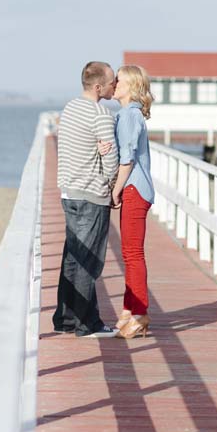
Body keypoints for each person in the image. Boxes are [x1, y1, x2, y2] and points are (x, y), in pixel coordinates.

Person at [52, 61, 120, 338]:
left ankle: (65, 318)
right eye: (112, 82)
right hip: (92, 194)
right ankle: (86, 323)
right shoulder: (101, 114)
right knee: (89, 261)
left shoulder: (70, 108)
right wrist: (113, 186)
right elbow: (112, 161)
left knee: (72, 256)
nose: (115, 86)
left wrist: (98, 148)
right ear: (98, 86)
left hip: (69, 191)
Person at [110, 64, 155, 339]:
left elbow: (127, 158)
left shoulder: (128, 115)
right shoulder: (131, 114)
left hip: (134, 188)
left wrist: (115, 190)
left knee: (132, 254)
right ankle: (129, 311)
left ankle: (139, 314)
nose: (113, 83)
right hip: (138, 188)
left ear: (131, 87)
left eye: (119, 80)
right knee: (130, 253)